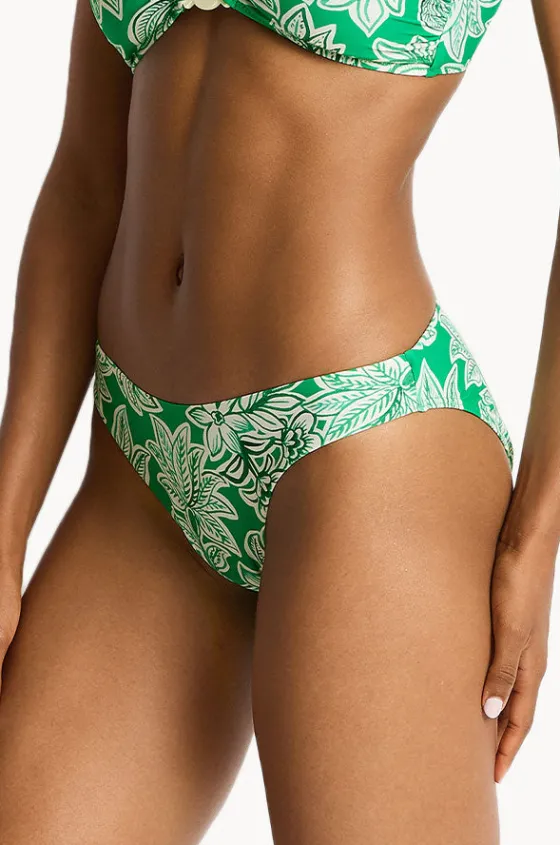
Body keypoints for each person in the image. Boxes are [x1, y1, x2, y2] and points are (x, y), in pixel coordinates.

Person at [0, 1, 557, 842]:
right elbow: (86, 182)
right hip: (141, 472)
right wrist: (5, 532)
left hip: (361, 447)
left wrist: (536, 538)